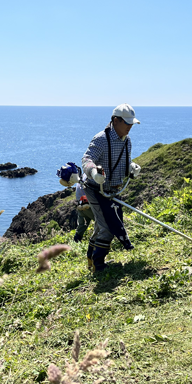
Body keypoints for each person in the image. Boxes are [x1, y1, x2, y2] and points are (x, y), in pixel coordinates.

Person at [81, 103, 142, 272]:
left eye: (131, 123)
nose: (130, 127)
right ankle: (99, 265)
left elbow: (122, 163)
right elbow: (86, 159)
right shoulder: (101, 138)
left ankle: (91, 259)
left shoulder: (127, 141)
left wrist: (131, 168)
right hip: (95, 189)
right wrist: (94, 172)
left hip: (114, 190)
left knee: (102, 225)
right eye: (127, 123)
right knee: (107, 226)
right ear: (115, 120)